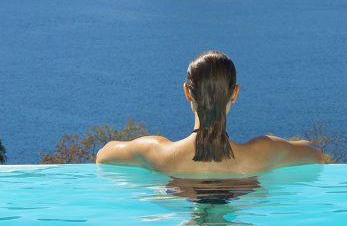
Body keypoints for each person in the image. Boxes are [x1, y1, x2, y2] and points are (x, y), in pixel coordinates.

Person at [96, 50, 324, 176]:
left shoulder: (155, 151)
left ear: (187, 92)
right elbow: (316, 154)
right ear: (234, 93)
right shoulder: (264, 151)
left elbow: (103, 155)